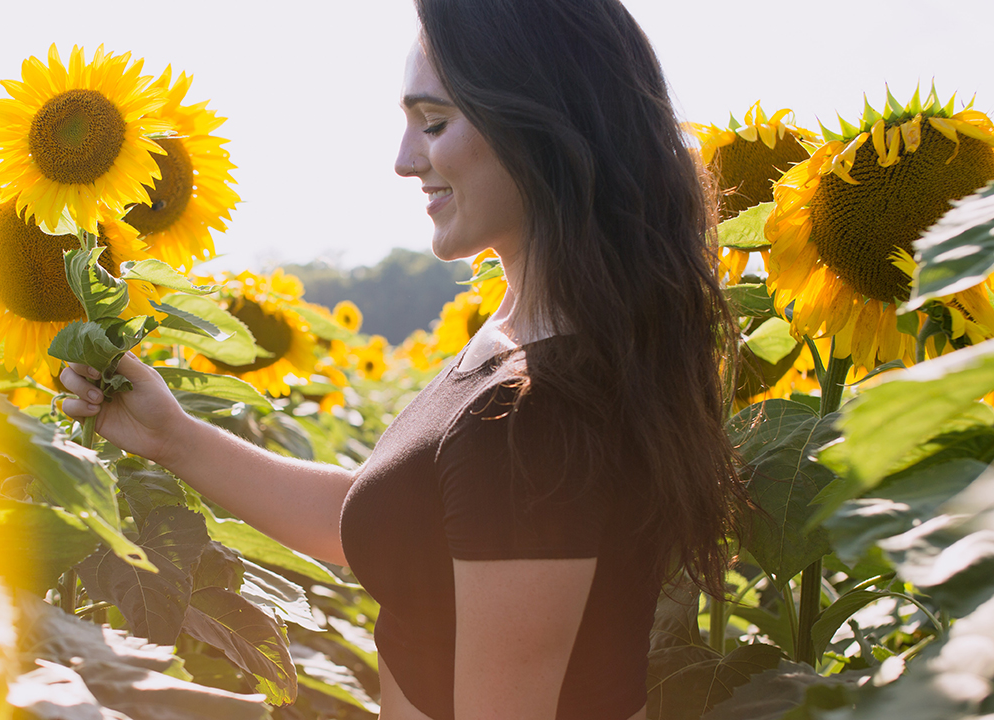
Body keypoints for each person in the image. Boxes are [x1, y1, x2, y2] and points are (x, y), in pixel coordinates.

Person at [60, 0, 744, 717]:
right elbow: (401, 525)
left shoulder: (533, 414)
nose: (403, 159)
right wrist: (174, 438)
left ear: (542, 123)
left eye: (435, 122)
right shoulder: (525, 348)